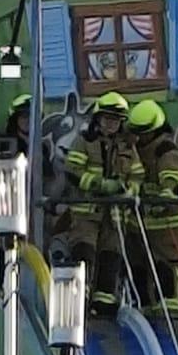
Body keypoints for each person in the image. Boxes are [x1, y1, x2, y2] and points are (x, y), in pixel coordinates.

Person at [63, 92, 134, 317]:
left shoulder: (127, 146)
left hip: (114, 215)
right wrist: (100, 184)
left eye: (116, 120)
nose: (111, 124)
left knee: (110, 257)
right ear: (98, 120)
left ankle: (103, 303)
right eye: (107, 119)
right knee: (84, 253)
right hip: (87, 213)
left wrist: (131, 189)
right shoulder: (85, 142)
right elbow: (72, 172)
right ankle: (79, 303)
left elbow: (138, 174)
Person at [125, 100, 178, 314]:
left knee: (167, 267)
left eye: (143, 133)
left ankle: (169, 308)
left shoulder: (166, 151)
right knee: (139, 267)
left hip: (168, 225)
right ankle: (143, 307)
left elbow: (171, 179)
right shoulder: (136, 150)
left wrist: (166, 194)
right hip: (141, 225)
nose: (139, 138)